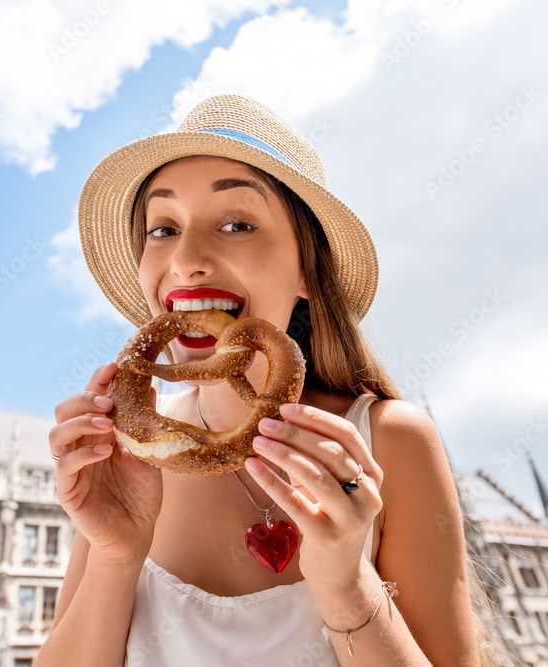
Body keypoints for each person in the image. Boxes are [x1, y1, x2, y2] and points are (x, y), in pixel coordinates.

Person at [38, 95, 493, 666]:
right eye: (162, 228)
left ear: (307, 267)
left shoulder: (391, 442)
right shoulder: (130, 455)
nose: (185, 260)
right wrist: (114, 552)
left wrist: (346, 585)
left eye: (236, 223)